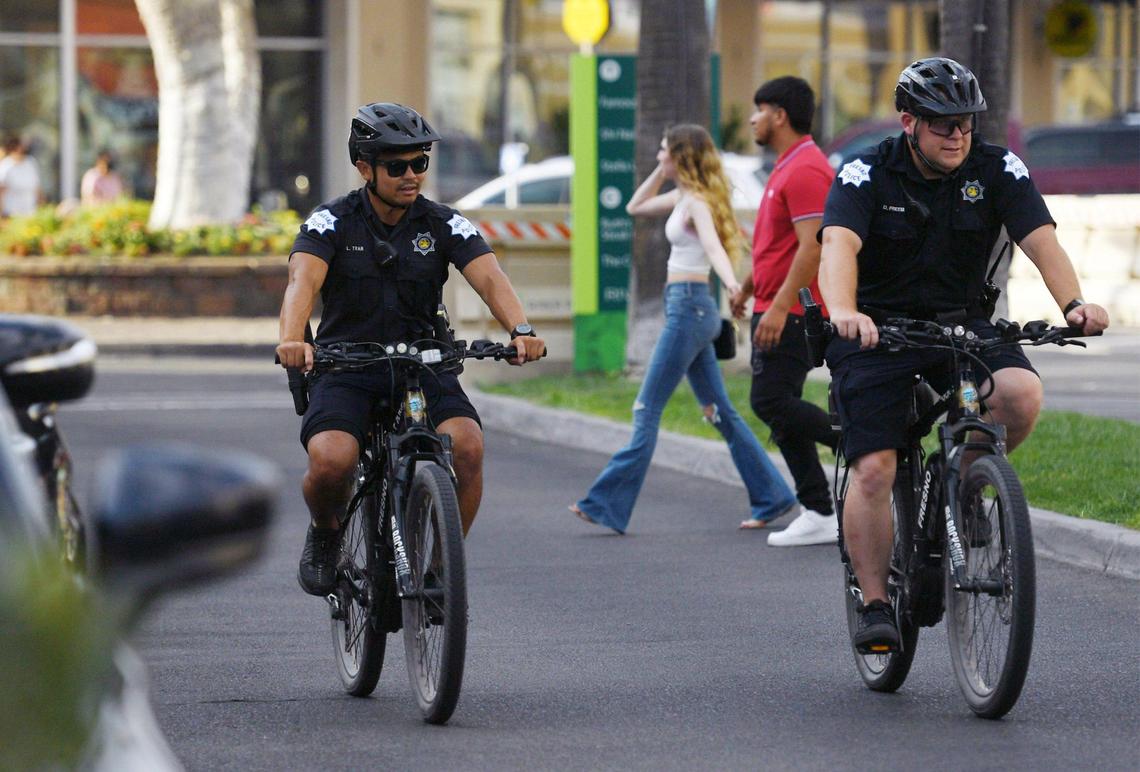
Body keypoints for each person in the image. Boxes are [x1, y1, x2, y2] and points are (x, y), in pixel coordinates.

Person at [817, 57, 1110, 651]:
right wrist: (845, 313)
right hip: (877, 331)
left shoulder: (997, 167)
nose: (958, 135)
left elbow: (1040, 240)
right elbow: (838, 248)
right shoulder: (864, 173)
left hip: (962, 326)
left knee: (1021, 395)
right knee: (874, 467)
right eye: (942, 124)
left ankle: (966, 482)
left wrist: (1075, 302)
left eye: (966, 124)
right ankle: (875, 602)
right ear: (908, 123)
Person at [276, 102, 547, 596]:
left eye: (419, 163)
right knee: (332, 462)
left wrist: (521, 329)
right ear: (365, 167)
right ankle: (326, 532)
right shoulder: (330, 222)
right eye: (396, 165)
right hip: (346, 365)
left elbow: (488, 275)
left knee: (467, 446)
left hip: (424, 364)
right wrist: (294, 339)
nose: (411, 175)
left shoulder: (444, 223)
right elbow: (302, 281)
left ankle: (442, 569)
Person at [570, 124, 796, 534]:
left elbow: (712, 247)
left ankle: (606, 503)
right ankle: (773, 495)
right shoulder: (685, 196)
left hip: (689, 311)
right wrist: (661, 171)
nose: (658, 154)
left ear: (680, 156)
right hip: (689, 309)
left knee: (646, 408)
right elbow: (635, 207)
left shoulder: (698, 205)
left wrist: (731, 283)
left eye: (663, 151)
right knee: (720, 412)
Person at [730, 76, 840, 545]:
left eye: (759, 110)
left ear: (779, 114)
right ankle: (818, 509)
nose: (752, 119)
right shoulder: (785, 166)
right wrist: (749, 288)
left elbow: (813, 248)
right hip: (773, 303)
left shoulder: (807, 169)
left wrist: (778, 308)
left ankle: (857, 440)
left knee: (769, 401)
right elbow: (774, 244)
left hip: (796, 310)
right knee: (778, 406)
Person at [0, 138, 43, 218]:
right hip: (11, 212)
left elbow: (36, 186)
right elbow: (1, 191)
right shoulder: (5, 166)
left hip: (30, 210)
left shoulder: (30, 162)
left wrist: (41, 203)